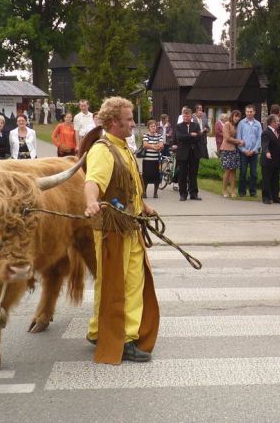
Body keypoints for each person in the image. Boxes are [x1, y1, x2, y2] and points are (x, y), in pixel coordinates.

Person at [83, 96, 160, 364]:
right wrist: (91, 201)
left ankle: (97, 330)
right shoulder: (103, 150)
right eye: (129, 120)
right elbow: (93, 181)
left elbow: (128, 185)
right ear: (114, 122)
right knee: (122, 284)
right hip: (113, 231)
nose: (133, 124)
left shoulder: (123, 147)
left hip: (131, 226)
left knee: (119, 281)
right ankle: (124, 339)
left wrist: (144, 205)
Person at [175, 106, 202, 201]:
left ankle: (194, 193)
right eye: (184, 116)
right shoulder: (179, 126)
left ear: (191, 116)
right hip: (183, 153)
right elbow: (180, 137)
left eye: (188, 116)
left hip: (194, 152)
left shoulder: (196, 125)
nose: (186, 118)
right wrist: (190, 135)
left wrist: (190, 137)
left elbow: (199, 137)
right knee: (182, 174)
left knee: (193, 174)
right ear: (183, 116)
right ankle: (183, 194)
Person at [236, 105, 262, 197]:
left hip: (254, 153)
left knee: (254, 173)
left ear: (254, 112)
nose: (249, 113)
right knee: (243, 172)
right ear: (245, 112)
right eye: (247, 111)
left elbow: (259, 138)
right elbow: (238, 138)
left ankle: (253, 192)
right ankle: (242, 192)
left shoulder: (258, 124)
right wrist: (244, 150)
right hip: (243, 152)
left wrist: (254, 150)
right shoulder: (241, 123)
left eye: (251, 111)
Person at [261, 114, 280, 204]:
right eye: (277, 121)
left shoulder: (277, 131)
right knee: (267, 179)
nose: (278, 123)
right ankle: (266, 197)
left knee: (275, 179)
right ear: (272, 122)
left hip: (276, 160)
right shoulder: (266, 132)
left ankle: (275, 197)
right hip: (268, 160)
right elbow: (264, 144)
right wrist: (267, 152)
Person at [220, 110, 243, 198]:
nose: (237, 118)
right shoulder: (227, 124)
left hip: (235, 150)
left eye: (238, 116)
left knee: (234, 171)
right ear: (232, 116)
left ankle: (233, 190)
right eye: (235, 116)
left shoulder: (237, 125)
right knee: (228, 170)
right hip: (227, 150)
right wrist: (239, 141)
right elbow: (227, 138)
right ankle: (224, 190)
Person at [141, 120, 164, 199]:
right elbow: (145, 144)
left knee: (156, 176)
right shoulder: (145, 135)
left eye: (154, 126)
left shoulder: (159, 136)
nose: (153, 128)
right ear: (148, 128)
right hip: (147, 160)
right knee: (146, 176)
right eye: (152, 126)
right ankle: (144, 192)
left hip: (156, 160)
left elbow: (161, 145)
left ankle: (155, 193)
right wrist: (155, 147)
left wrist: (151, 145)